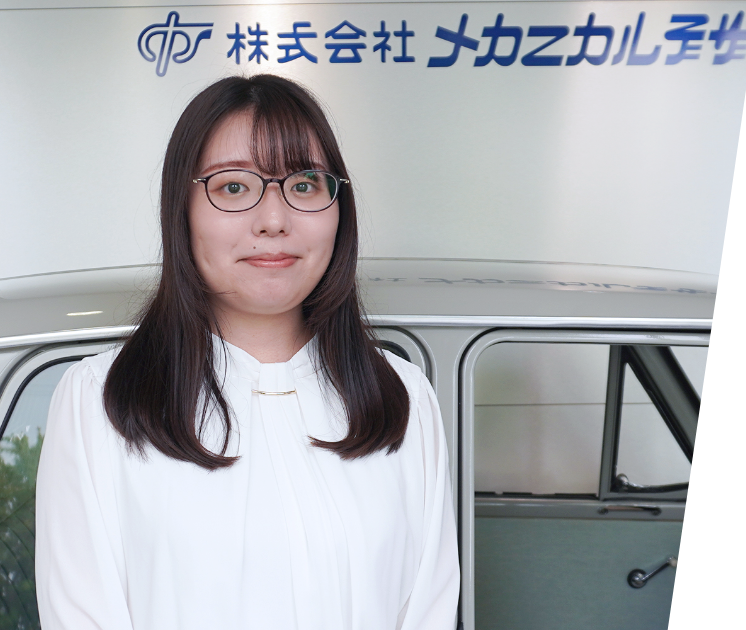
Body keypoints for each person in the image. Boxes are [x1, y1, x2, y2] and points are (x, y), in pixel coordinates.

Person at [35, 74, 459, 630]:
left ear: (340, 208)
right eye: (234, 187)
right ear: (181, 209)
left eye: (304, 184)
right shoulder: (102, 402)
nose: (274, 220)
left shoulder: (402, 400)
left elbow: (427, 613)